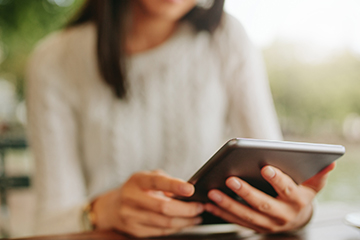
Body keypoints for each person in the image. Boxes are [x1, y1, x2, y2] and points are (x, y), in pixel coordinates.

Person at [26, 0, 334, 237]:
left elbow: (272, 172)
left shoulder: (226, 37)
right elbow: (49, 222)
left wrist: (296, 214)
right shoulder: (53, 60)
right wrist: (100, 212)